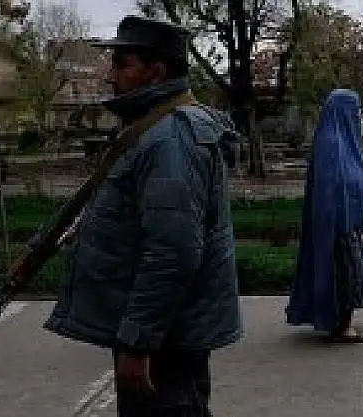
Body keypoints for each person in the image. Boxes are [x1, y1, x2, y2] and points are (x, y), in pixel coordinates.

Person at [38, 16, 242, 417]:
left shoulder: (171, 137)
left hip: (167, 338)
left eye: (122, 64)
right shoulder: (153, 127)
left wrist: (138, 341)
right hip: (163, 330)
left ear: (156, 72)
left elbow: (173, 251)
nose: (109, 75)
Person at [286, 89, 363, 343]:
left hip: (347, 221)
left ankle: (341, 321)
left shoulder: (342, 140)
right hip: (338, 223)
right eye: (355, 110)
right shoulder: (332, 144)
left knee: (354, 271)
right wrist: (340, 221)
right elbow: (333, 186)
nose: (358, 115)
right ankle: (340, 325)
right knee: (347, 273)